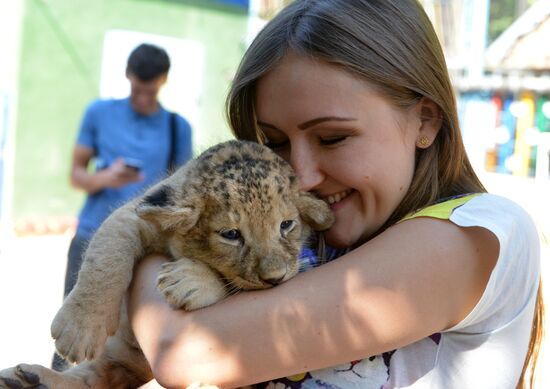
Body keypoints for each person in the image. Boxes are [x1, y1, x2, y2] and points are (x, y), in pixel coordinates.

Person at [127, 1, 543, 388]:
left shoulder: (477, 231)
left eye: (332, 137)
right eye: (274, 143)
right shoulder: (299, 241)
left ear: (426, 122)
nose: (300, 176)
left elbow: (181, 350)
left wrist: (146, 247)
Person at [53, 42, 193, 371]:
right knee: (75, 333)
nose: (143, 97)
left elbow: (185, 195)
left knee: (123, 352)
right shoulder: (98, 113)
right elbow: (76, 176)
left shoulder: (177, 127)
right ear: (127, 76)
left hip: (144, 250)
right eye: (136, 89)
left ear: (164, 81)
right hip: (93, 242)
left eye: (151, 89)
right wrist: (106, 178)